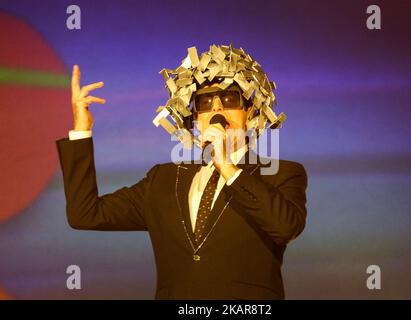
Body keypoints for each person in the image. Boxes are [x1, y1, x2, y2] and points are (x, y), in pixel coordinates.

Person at [56, 45, 308, 300]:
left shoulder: (280, 174)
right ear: (195, 118)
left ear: (250, 111)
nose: (217, 110)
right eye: (205, 102)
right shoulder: (163, 180)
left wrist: (228, 167)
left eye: (230, 99)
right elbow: (85, 214)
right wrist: (81, 131)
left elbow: (286, 227)